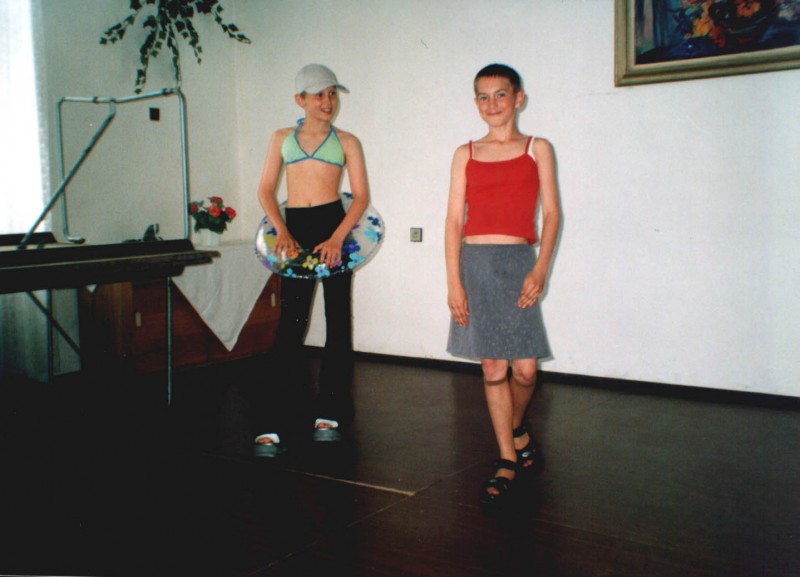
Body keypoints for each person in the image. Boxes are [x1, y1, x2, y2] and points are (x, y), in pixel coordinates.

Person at [445, 64, 560, 505]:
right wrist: (454, 282)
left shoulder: (537, 149)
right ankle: (507, 458)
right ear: (475, 102)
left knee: (526, 369)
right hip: (475, 264)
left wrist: (540, 269)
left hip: (518, 264)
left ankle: (514, 426)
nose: (492, 104)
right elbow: (453, 221)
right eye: (483, 96)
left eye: (500, 94)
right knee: (493, 367)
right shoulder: (465, 153)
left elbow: (552, 214)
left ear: (518, 98)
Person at [254, 63, 369, 456]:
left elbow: (361, 197)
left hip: (334, 227)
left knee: (337, 319)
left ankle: (330, 414)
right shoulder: (281, 138)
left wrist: (337, 238)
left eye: (332, 93)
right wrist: (282, 231)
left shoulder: (348, 141)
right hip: (294, 230)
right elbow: (266, 190)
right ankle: (274, 418)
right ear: (300, 99)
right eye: (319, 94)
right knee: (292, 321)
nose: (328, 101)